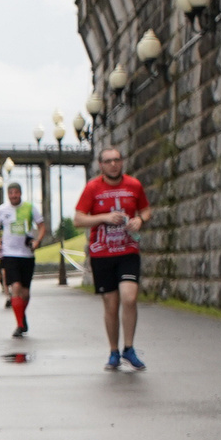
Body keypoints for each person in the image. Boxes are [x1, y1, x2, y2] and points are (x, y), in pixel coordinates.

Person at [74, 142, 150, 372]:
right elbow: (78, 219)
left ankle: (129, 348)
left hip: (128, 251)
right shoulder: (93, 188)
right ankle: (114, 351)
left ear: (122, 162)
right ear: (101, 165)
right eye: (108, 161)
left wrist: (140, 220)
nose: (113, 164)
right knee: (111, 304)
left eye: (117, 160)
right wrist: (104, 218)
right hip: (102, 254)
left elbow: (146, 209)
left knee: (129, 298)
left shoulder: (134, 185)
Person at [0, 180, 40, 338]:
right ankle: (20, 324)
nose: (13, 196)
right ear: (8, 194)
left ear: (20, 193)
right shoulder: (2, 210)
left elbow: (42, 226)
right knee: (16, 286)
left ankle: (22, 316)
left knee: (25, 293)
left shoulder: (29, 208)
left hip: (27, 254)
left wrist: (37, 241)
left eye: (16, 193)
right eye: (10, 193)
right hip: (9, 254)